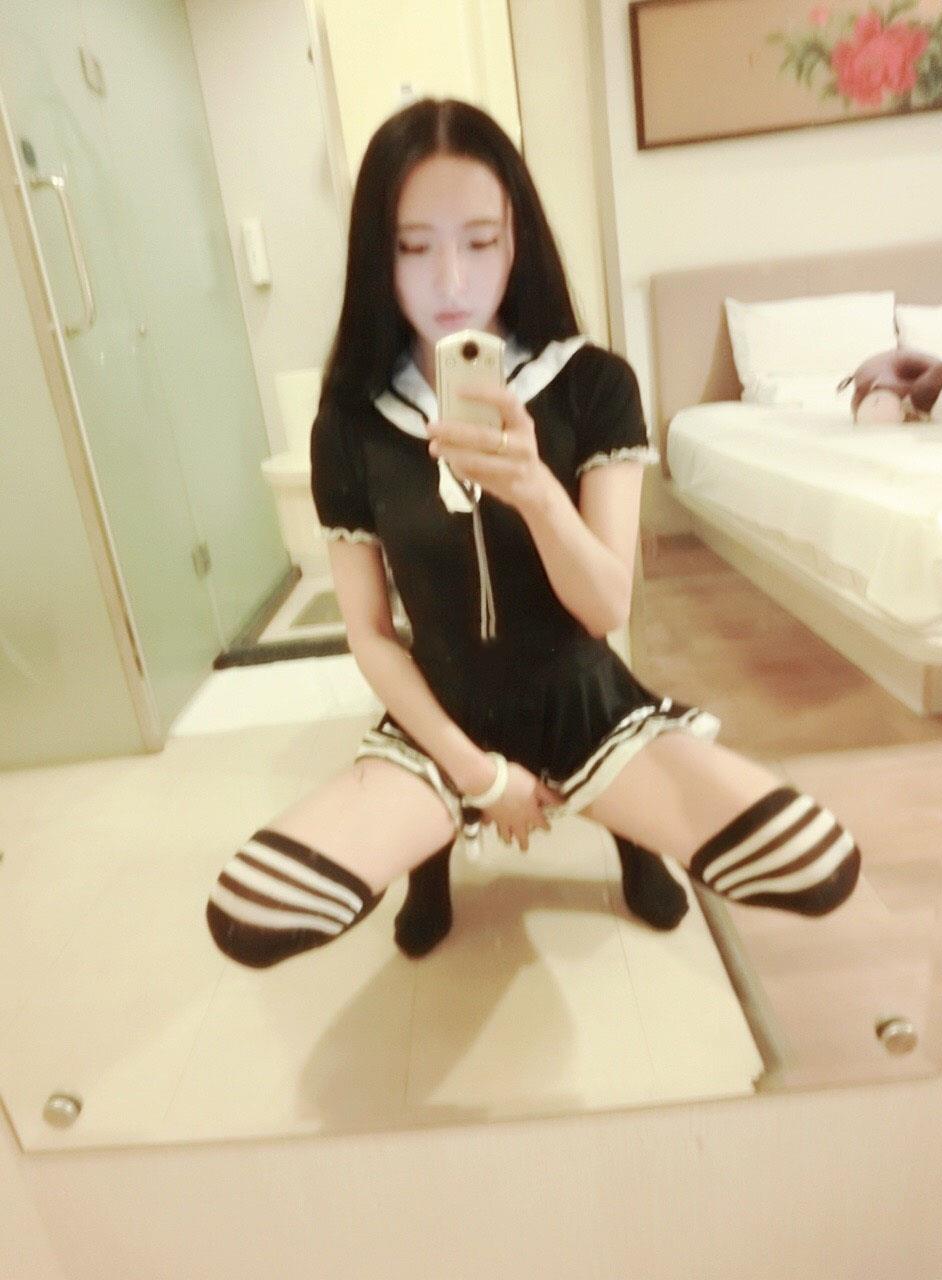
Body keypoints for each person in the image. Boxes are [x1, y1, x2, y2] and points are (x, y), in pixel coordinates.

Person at [205, 99, 861, 970]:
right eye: (413, 247)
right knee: (252, 913)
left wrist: (536, 491)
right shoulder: (350, 424)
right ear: (376, 257)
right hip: (441, 707)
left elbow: (604, 608)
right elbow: (368, 632)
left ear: (517, 242)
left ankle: (633, 834)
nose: (451, 281)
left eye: (480, 241)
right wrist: (482, 777)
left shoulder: (593, 385)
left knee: (815, 863)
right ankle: (432, 858)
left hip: (582, 697)